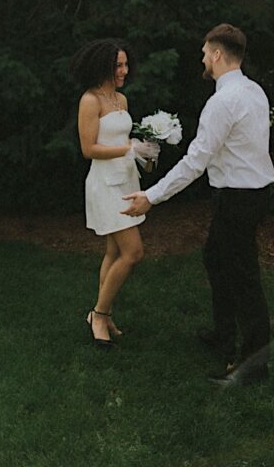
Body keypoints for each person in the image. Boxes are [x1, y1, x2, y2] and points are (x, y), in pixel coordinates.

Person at [121, 23, 274, 387]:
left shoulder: (222, 101)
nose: (203, 58)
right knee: (215, 258)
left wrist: (151, 197)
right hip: (249, 194)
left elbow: (195, 162)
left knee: (244, 279)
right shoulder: (253, 91)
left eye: (206, 52)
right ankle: (224, 335)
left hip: (239, 197)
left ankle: (254, 367)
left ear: (218, 55)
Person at [71, 38, 160, 349]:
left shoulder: (121, 100)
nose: (124, 70)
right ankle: (99, 313)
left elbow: (125, 144)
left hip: (126, 181)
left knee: (113, 252)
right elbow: (88, 149)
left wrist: (145, 153)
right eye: (118, 65)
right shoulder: (90, 100)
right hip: (104, 184)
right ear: (103, 67)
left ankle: (102, 315)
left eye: (125, 64)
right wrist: (129, 148)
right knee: (133, 253)